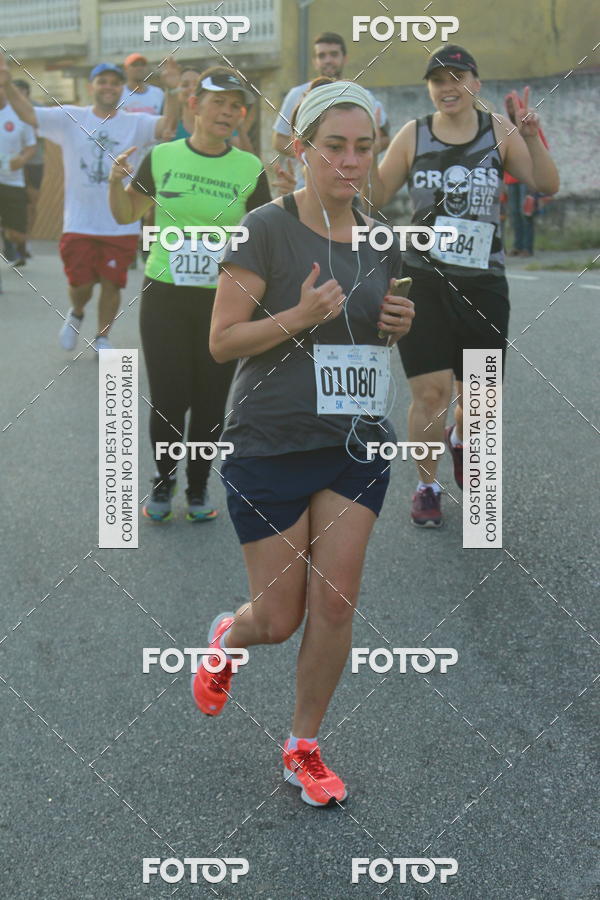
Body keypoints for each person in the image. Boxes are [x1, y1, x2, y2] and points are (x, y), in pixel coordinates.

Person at [191, 80, 414, 806]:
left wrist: (395, 324)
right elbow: (223, 342)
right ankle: (229, 634)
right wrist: (299, 314)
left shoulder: (382, 235)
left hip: (353, 442)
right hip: (270, 442)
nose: (350, 162)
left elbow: (368, 335)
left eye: (363, 149)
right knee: (278, 619)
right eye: (334, 148)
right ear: (302, 150)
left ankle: (303, 747)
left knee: (338, 602)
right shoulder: (265, 226)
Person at [370, 44, 559, 526]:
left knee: (478, 398)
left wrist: (533, 137)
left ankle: (461, 442)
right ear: (429, 88)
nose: (447, 86)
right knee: (430, 392)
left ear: (476, 84)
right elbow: (373, 195)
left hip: (484, 285)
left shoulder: (499, 131)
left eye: (458, 77)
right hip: (424, 281)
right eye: (438, 79)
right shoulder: (414, 135)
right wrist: (360, 152)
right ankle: (427, 486)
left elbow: (545, 185)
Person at [109, 66, 271, 522]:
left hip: (224, 301)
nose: (227, 111)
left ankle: (198, 489)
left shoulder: (250, 167)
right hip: (166, 295)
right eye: (217, 102)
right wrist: (113, 181)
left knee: (210, 400)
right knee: (168, 396)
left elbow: (263, 238)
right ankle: (162, 484)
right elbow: (126, 213)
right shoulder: (161, 157)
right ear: (194, 105)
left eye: (235, 105)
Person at [0, 59, 179, 352]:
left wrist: (172, 92)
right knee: (81, 285)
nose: (109, 87)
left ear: (122, 88)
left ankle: (102, 336)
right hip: (79, 222)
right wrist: (6, 82)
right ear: (91, 86)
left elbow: (167, 125)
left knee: (112, 284)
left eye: (114, 82)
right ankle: (77, 312)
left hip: (119, 222)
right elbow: (29, 114)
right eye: (103, 81)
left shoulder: (136, 123)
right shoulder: (70, 117)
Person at [272, 32, 390, 189]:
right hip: (304, 188)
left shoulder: (363, 97)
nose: (328, 60)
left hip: (351, 191)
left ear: (344, 58)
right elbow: (279, 140)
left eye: (334, 54)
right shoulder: (297, 95)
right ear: (315, 62)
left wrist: (361, 152)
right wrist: (314, 155)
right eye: (322, 56)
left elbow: (385, 137)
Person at [504, 91, 550, 258]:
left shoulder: (529, 124)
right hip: (510, 179)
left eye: (513, 104)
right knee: (514, 213)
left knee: (526, 212)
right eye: (508, 104)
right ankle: (517, 246)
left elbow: (542, 148)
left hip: (527, 177)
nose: (510, 108)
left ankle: (527, 248)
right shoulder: (506, 127)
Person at [0, 79, 36, 268]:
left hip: (12, 180)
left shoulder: (19, 115)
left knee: (16, 234)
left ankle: (10, 240)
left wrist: (22, 160)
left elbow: (31, 145)